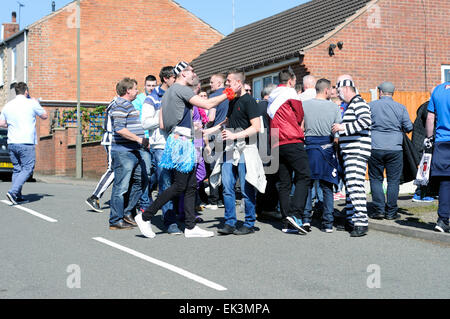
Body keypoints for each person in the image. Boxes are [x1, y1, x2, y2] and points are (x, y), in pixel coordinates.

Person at [135, 61, 234, 239]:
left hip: (179, 139)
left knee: (191, 185)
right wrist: (227, 93)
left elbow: (163, 123)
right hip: (183, 141)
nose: (194, 75)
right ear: (183, 74)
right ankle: (145, 216)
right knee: (180, 185)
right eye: (191, 72)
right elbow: (207, 104)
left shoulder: (169, 92)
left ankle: (190, 226)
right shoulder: (182, 89)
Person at [206, 70, 265, 236]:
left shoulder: (250, 101)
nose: (226, 85)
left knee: (246, 188)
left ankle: (249, 222)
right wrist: (209, 130)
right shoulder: (232, 100)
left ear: (239, 82)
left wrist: (235, 135)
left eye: (229, 82)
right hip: (229, 149)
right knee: (227, 186)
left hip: (245, 149)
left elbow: (256, 127)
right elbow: (227, 121)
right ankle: (230, 222)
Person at [267, 69, 311, 234]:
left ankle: (287, 220)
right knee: (304, 175)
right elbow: (299, 115)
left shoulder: (272, 97)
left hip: (276, 141)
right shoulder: (290, 92)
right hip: (291, 138)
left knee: (284, 182)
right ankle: (296, 214)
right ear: (291, 80)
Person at [140, 66, 181, 234]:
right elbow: (145, 123)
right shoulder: (152, 98)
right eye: (174, 78)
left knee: (178, 182)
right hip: (161, 145)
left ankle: (176, 213)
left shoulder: (177, 95)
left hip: (179, 143)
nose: (176, 81)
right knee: (166, 182)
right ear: (166, 79)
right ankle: (169, 220)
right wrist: (164, 117)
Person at [332, 78, 372, 237]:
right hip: (350, 151)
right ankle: (351, 219)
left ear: (347, 88)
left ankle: (361, 222)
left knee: (355, 186)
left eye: (339, 89)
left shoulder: (358, 103)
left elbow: (365, 121)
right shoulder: (352, 104)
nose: (338, 93)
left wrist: (343, 127)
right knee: (351, 186)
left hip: (357, 151)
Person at [368, 82, 413, 220]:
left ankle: (379, 210)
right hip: (395, 148)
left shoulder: (370, 106)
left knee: (376, 179)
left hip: (375, 146)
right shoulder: (400, 107)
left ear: (380, 92)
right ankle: (391, 212)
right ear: (392, 93)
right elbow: (409, 127)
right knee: (393, 180)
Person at [108, 77, 148, 230]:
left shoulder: (127, 104)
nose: (137, 91)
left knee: (140, 180)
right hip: (123, 152)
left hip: (134, 150)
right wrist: (139, 139)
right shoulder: (119, 105)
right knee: (121, 187)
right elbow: (119, 128)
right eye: (135, 88)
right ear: (128, 90)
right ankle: (115, 220)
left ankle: (126, 213)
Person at [302, 78, 341, 233]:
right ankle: (328, 223)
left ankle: (306, 219)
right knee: (327, 186)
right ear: (326, 90)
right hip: (327, 147)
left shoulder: (304, 105)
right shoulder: (333, 107)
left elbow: (301, 127)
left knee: (308, 184)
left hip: (310, 147)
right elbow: (337, 132)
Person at [0, 82, 48, 204]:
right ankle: (13, 191)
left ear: (16, 91)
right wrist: (36, 102)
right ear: (26, 91)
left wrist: (11, 124)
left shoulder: (8, 105)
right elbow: (44, 116)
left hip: (12, 142)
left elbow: (2, 123)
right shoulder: (31, 103)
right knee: (28, 168)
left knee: (17, 169)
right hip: (26, 142)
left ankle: (17, 196)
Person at [425, 81, 450, 233]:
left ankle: (442, 220)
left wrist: (429, 139)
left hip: (442, 142)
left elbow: (430, 118)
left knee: (445, 182)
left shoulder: (438, 90)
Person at [85, 96, 117, 213]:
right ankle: (94, 197)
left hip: (112, 140)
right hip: (112, 140)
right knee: (112, 170)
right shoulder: (116, 104)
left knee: (117, 170)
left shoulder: (115, 102)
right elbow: (114, 126)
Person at [255, 83, 281, 221]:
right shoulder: (271, 107)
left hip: (257, 143)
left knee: (259, 176)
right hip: (269, 143)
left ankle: (258, 208)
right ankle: (269, 208)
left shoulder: (256, 106)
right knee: (271, 178)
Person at [205, 73, 229, 210]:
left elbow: (211, 117)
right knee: (225, 166)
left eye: (212, 82)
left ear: (219, 83)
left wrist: (205, 128)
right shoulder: (229, 96)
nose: (210, 84)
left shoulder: (214, 97)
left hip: (215, 134)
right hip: (228, 134)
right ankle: (224, 198)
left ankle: (214, 200)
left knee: (214, 168)